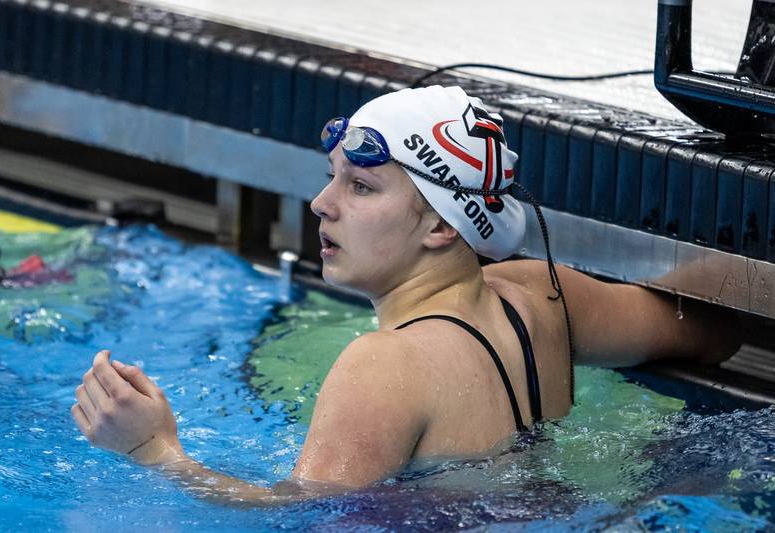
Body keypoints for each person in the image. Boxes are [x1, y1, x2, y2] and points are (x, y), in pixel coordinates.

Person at [71, 86, 741, 505]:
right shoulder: (543, 298)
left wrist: (158, 451)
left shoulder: (383, 365)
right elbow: (709, 333)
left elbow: (291, 512)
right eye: (331, 178)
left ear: (442, 223)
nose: (321, 203)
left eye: (361, 187)